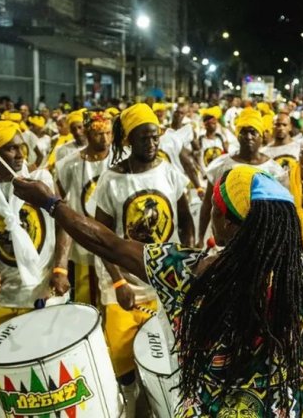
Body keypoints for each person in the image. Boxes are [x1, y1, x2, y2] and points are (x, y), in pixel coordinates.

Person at [12, 156, 303, 416]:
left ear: (223, 223)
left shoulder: (180, 269)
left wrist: (50, 201)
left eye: (215, 206)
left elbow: (105, 241)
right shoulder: (301, 272)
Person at [92, 103, 195, 416]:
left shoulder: (170, 172)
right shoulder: (111, 180)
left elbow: (187, 221)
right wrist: (119, 280)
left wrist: (185, 261)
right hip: (122, 285)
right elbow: (101, 236)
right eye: (143, 139)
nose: (151, 144)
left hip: (164, 283)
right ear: (128, 141)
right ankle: (128, 405)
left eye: (155, 137)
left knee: (162, 355)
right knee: (123, 360)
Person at [0, 120, 71, 337]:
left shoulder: (40, 179)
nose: (20, 155)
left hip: (43, 291)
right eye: (11, 148)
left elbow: (64, 224)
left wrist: (60, 269)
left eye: (21, 147)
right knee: (2, 367)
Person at [198, 107, 285, 243]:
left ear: (261, 136)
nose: (248, 137)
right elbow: (207, 204)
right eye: (243, 132)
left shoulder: (274, 171)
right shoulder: (221, 165)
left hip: (259, 241)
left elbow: (279, 212)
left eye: (253, 132)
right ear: (237, 135)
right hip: (223, 240)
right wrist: (200, 237)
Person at [55, 112, 117, 305]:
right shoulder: (68, 164)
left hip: (113, 240)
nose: (105, 139)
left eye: (108, 133)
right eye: (99, 134)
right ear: (88, 134)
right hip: (82, 241)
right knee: (86, 300)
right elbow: (59, 204)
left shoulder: (120, 160)